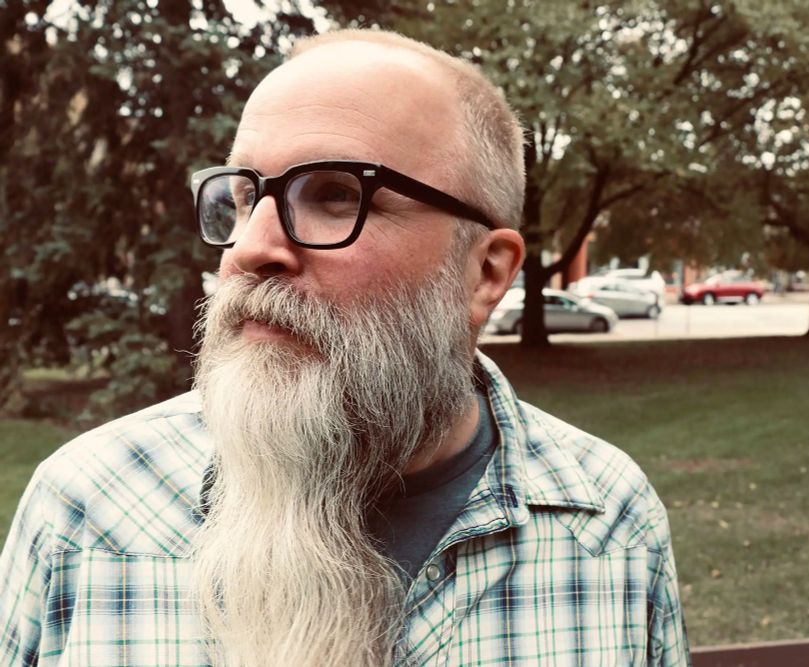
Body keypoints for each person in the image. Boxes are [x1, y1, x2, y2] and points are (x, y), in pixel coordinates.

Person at [0, 29, 689, 667]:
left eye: (334, 194)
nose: (250, 249)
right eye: (243, 198)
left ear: (484, 273)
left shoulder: (609, 525)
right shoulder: (89, 510)